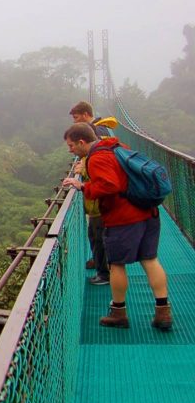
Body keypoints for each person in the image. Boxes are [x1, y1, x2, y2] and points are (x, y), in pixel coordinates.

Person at [61, 123, 172, 330]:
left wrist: (83, 186)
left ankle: (119, 313)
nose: (71, 151)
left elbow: (110, 185)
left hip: (124, 218)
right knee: (150, 260)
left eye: (71, 146)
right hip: (147, 212)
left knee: (117, 265)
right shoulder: (117, 146)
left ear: (82, 142)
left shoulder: (97, 158)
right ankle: (163, 312)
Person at [69, 101, 113, 284]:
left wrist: (83, 174)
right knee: (96, 235)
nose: (70, 150)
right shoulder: (100, 133)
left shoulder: (99, 135)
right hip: (98, 202)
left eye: (77, 117)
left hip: (100, 203)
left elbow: (102, 176)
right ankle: (101, 265)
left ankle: (104, 273)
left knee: (100, 236)